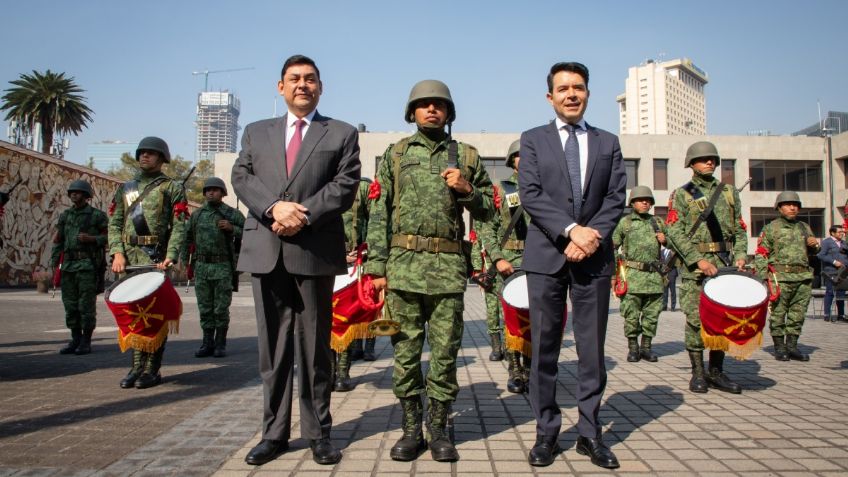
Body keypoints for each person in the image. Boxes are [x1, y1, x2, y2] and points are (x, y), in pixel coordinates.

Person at [231, 54, 360, 467]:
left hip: (313, 249)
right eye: (294, 79)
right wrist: (273, 208)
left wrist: (297, 213)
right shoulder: (255, 131)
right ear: (280, 87)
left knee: (315, 349)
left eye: (310, 79)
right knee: (273, 351)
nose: (302, 85)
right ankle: (273, 434)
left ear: (320, 87)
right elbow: (241, 177)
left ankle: (319, 433)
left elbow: (344, 185)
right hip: (266, 250)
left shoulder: (340, 133)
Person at [364, 79, 493, 463]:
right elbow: (378, 212)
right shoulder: (396, 154)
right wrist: (376, 266)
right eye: (423, 105)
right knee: (404, 352)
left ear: (449, 112)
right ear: (412, 112)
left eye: (438, 104)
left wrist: (467, 189)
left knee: (445, 353)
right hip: (402, 268)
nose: (431, 109)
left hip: (447, 270)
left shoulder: (467, 156)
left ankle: (438, 428)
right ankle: (409, 428)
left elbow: (490, 207)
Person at [518, 62, 625, 469]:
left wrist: (590, 235)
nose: (571, 94)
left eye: (578, 87)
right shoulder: (532, 140)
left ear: (588, 93)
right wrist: (569, 231)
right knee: (544, 348)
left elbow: (616, 197)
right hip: (546, 257)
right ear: (550, 97)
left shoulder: (607, 142)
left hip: (593, 258)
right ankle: (546, 432)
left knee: (591, 350)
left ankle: (589, 434)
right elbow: (530, 194)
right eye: (562, 88)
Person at [666, 141, 748, 395]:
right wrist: (695, 259)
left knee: (723, 320)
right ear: (691, 164)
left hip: (725, 266)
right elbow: (674, 231)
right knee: (695, 320)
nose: (709, 162)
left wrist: (742, 255)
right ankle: (698, 373)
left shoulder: (729, 192)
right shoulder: (682, 194)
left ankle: (716, 371)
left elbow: (740, 228)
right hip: (696, 269)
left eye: (712, 159)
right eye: (703, 159)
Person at [108, 136, 188, 389]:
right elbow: (115, 222)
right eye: (142, 152)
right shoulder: (126, 188)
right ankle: (135, 367)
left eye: (151, 153)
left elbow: (179, 225)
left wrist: (171, 255)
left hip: (155, 258)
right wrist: (117, 253)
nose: (145, 156)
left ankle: (152, 370)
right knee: (132, 314)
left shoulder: (172, 188)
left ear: (162, 158)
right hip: (129, 258)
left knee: (155, 313)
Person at [478, 139, 531, 392]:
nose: (524, 158)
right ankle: (515, 368)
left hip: (538, 262)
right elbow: (488, 226)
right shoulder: (506, 188)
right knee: (511, 317)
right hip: (509, 262)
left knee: (535, 317)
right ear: (511, 161)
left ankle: (532, 367)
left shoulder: (547, 187)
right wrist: (498, 258)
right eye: (518, 155)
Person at [181, 177, 245, 359]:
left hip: (223, 266)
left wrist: (232, 228)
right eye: (208, 190)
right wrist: (186, 262)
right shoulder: (197, 215)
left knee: (221, 308)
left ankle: (220, 343)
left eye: (216, 190)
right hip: (202, 266)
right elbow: (187, 239)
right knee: (205, 307)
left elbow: (250, 232)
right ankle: (207, 342)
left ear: (223, 193)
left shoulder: (231, 213)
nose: (211, 192)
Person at [753, 191, 819, 361]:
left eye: (795, 205)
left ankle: (792, 346)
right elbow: (761, 254)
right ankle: (779, 347)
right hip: (779, 278)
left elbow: (813, 252)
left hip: (802, 277)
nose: (792, 208)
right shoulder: (771, 228)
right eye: (788, 205)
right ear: (779, 207)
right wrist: (763, 278)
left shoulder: (804, 227)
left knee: (798, 314)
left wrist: (815, 245)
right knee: (778, 314)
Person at [51, 179, 108, 355]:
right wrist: (55, 264)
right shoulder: (65, 216)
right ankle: (75, 339)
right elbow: (58, 241)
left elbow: (109, 238)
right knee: (70, 305)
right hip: (68, 265)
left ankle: (86, 340)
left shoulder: (97, 216)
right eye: (72, 192)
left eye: (78, 192)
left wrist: (92, 239)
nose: (74, 194)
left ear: (86, 195)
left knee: (86, 305)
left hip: (87, 266)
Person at [612, 186, 667, 363]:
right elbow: (612, 247)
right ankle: (633, 348)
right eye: (640, 199)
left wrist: (666, 240)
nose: (645, 202)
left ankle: (646, 347)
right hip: (632, 277)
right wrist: (614, 275)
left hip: (654, 278)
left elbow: (676, 245)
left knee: (652, 315)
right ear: (632, 203)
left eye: (648, 200)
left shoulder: (658, 222)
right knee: (631, 315)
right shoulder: (625, 223)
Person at [333, 177, 374, 392]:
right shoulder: (322, 183)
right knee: (324, 320)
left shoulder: (363, 188)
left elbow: (377, 223)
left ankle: (342, 372)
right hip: (327, 261)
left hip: (355, 262)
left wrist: (363, 253)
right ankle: (328, 371)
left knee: (346, 317)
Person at [817, 225, 847, 322]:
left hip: (843, 272)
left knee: (841, 293)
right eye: (839, 232)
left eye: (842, 232)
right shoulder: (826, 242)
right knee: (830, 292)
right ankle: (827, 315)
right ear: (832, 233)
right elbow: (821, 255)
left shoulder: (844, 243)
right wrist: (834, 262)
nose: (841, 234)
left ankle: (841, 315)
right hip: (831, 272)